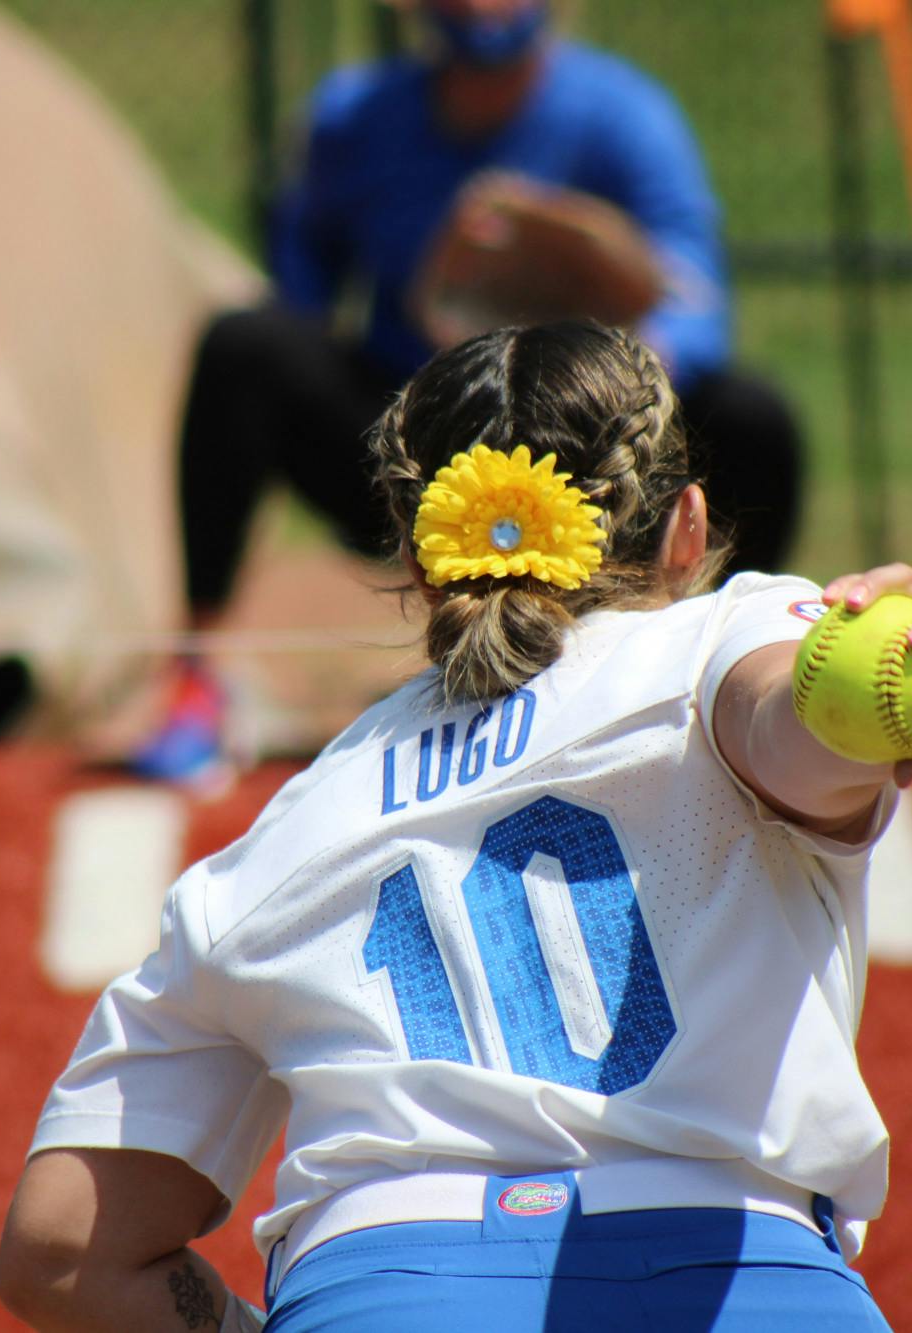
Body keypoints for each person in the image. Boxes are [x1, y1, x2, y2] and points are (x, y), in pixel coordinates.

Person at [0, 320, 912, 1331]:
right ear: (687, 527)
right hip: (741, 1280)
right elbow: (792, 730)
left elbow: (60, 1252)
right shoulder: (715, 644)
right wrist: (903, 686)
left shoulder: (281, 835)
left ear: (414, 554)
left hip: (377, 1290)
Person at [132, 0, 806, 786]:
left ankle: (720, 670)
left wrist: (593, 335)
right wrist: (448, 321)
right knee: (245, 346)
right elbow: (299, 292)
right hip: (425, 444)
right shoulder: (354, 117)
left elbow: (697, 302)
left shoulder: (628, 116)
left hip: (595, 459)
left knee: (754, 420)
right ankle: (197, 683)